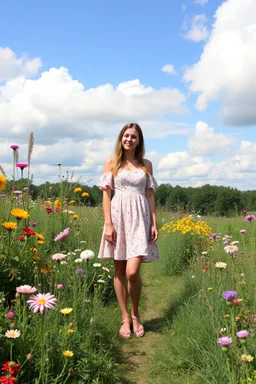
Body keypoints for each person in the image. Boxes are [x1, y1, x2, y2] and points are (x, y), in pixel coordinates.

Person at [98, 123, 160, 339]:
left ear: (139, 140)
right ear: (121, 138)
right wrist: (108, 224)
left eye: (134, 136)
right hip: (118, 217)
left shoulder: (146, 164)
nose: (129, 139)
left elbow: (150, 195)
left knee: (133, 271)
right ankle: (125, 318)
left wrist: (154, 223)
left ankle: (135, 314)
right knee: (119, 270)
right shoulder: (111, 163)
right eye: (126, 135)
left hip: (140, 219)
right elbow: (106, 195)